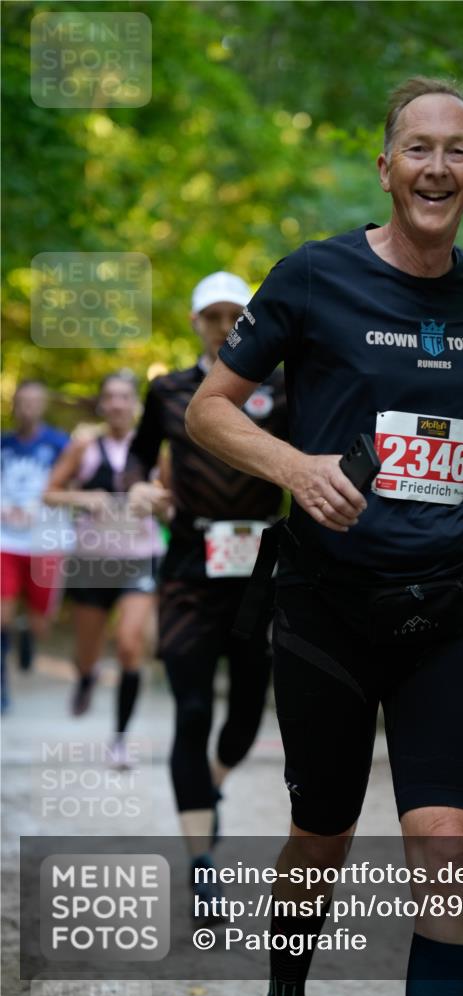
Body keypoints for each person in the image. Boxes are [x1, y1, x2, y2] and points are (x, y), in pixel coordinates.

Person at [186, 77, 463, 996]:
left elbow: (462, 414)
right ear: (386, 168)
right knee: (325, 834)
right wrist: (296, 468)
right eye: (417, 149)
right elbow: (208, 412)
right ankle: (286, 989)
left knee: (446, 841)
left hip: (441, 606)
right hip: (325, 608)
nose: (436, 166)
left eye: (455, 150)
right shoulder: (315, 274)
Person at [123, 271, 287, 914]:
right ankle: (201, 861)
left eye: (235, 315)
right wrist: (138, 487)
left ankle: (209, 788)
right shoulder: (168, 390)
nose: (224, 326)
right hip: (190, 566)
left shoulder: (281, 386)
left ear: (250, 321)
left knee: (246, 716)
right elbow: (138, 456)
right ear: (195, 321)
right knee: (192, 711)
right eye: (212, 315)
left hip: (260, 569)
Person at [43, 372, 164, 764]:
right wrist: (84, 496)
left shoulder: (154, 449)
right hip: (91, 563)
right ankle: (86, 676)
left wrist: (155, 499)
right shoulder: (84, 447)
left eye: (124, 397)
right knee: (86, 653)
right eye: (109, 397)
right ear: (101, 404)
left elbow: (174, 500)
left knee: (131, 645)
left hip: (138, 558)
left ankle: (120, 740)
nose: (116, 404)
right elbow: (49, 493)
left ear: (135, 404)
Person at [1, 380, 69, 711]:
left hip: (46, 540)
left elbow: (74, 485)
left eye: (34, 401)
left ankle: (28, 631)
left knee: (43, 620)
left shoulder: (61, 444)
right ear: (14, 405)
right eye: (22, 401)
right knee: (0, 615)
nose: (27, 407)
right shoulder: (3, 444)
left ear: (43, 405)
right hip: (6, 540)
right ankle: (2, 687)